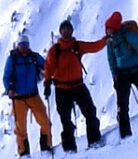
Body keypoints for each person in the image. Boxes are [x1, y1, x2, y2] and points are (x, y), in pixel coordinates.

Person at [42, 20, 105, 151]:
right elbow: (49, 67)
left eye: (68, 29)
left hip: (77, 86)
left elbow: (94, 46)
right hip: (62, 88)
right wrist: (47, 82)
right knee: (65, 120)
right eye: (64, 30)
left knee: (90, 113)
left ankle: (93, 141)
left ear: (71, 31)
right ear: (60, 32)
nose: (66, 32)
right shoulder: (55, 50)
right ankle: (70, 148)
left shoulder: (76, 46)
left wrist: (106, 39)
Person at [103, 11, 138, 137]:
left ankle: (125, 134)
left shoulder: (114, 40)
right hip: (136, 71)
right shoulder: (116, 39)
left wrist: (114, 73)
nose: (107, 31)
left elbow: (111, 59)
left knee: (123, 105)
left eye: (108, 28)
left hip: (123, 74)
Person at [2, 32, 54, 156]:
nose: (24, 47)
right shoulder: (12, 59)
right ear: (17, 46)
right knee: (20, 128)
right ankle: (23, 152)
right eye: (21, 44)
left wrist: (48, 79)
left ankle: (46, 147)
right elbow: (6, 77)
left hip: (33, 95)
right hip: (18, 98)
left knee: (45, 121)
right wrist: (9, 89)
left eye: (25, 44)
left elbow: (47, 67)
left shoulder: (35, 57)